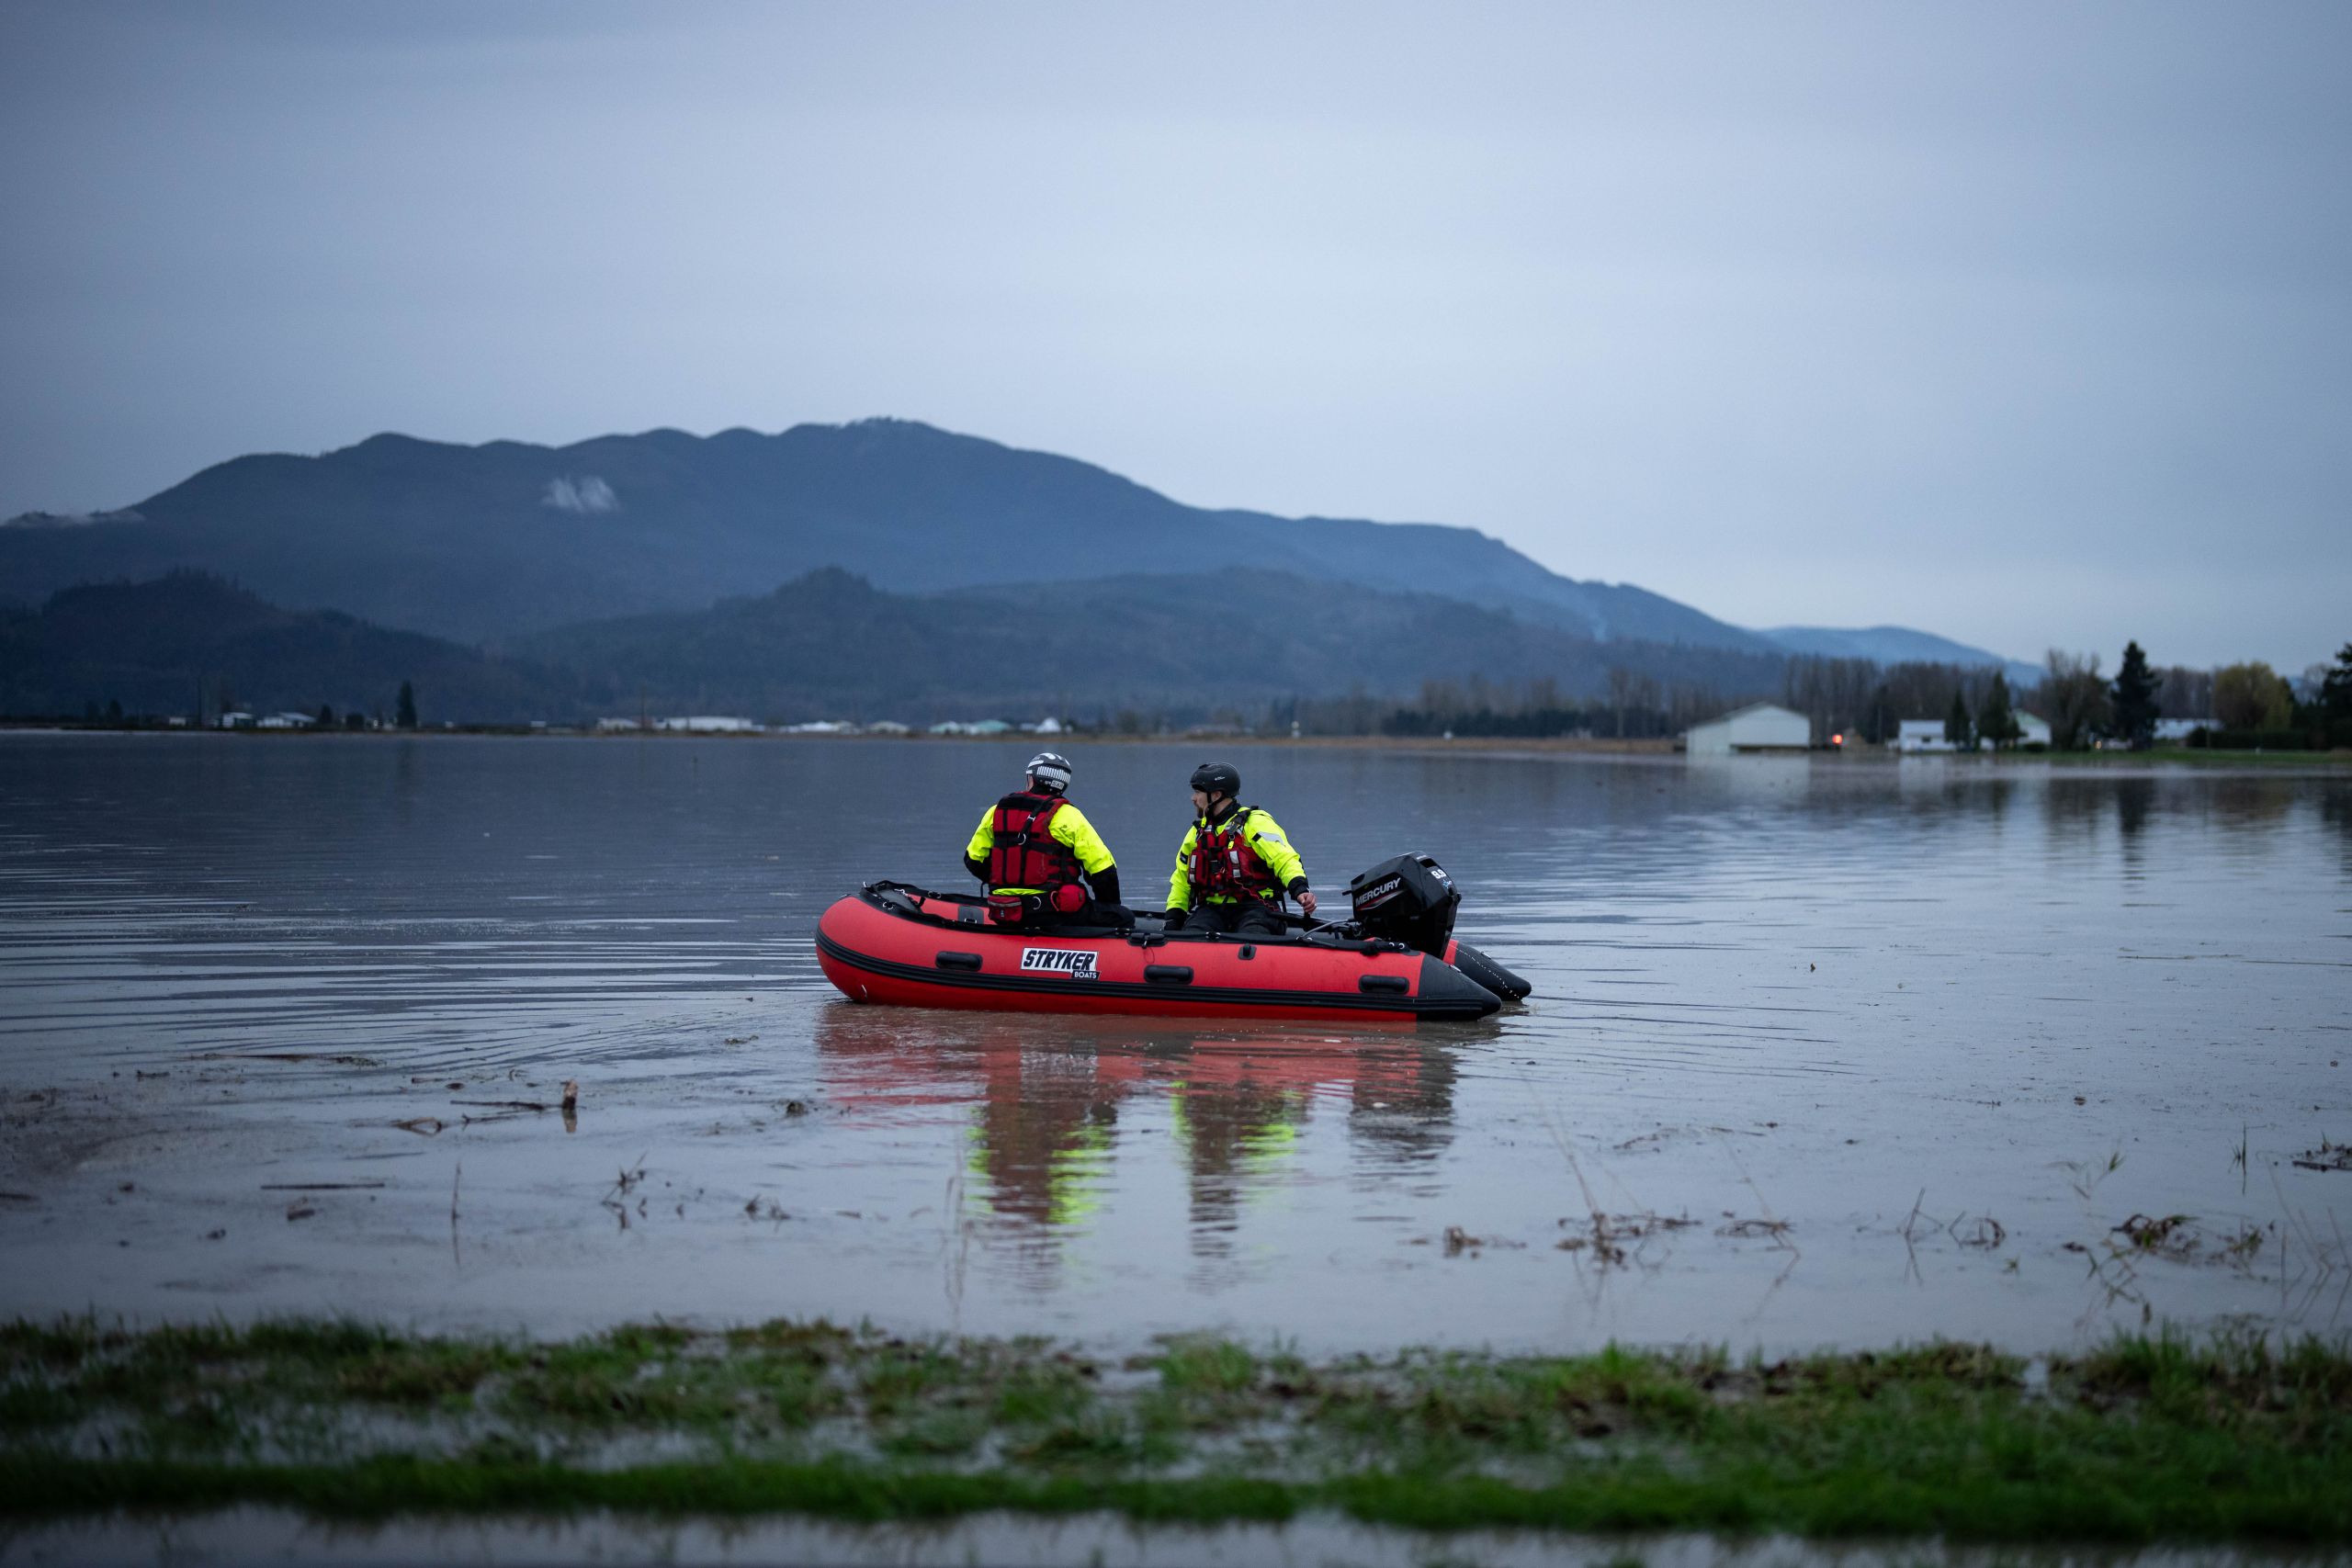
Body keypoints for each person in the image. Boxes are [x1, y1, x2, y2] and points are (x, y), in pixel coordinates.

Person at [964, 751, 1123, 924]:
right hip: (1052, 913)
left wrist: (1006, 881)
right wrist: (1111, 908)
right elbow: (1103, 871)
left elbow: (973, 860)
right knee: (1123, 917)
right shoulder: (1068, 815)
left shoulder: (996, 811)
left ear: (1032, 779)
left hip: (1005, 910)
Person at [1162, 761, 1316, 935]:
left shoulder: (1255, 822)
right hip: (1212, 910)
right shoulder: (1196, 833)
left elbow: (1284, 859)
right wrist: (1173, 919)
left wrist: (1300, 889)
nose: (1193, 798)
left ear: (1216, 795)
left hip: (1257, 908)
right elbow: (1181, 881)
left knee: (1253, 933)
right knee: (1194, 934)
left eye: (1198, 792)